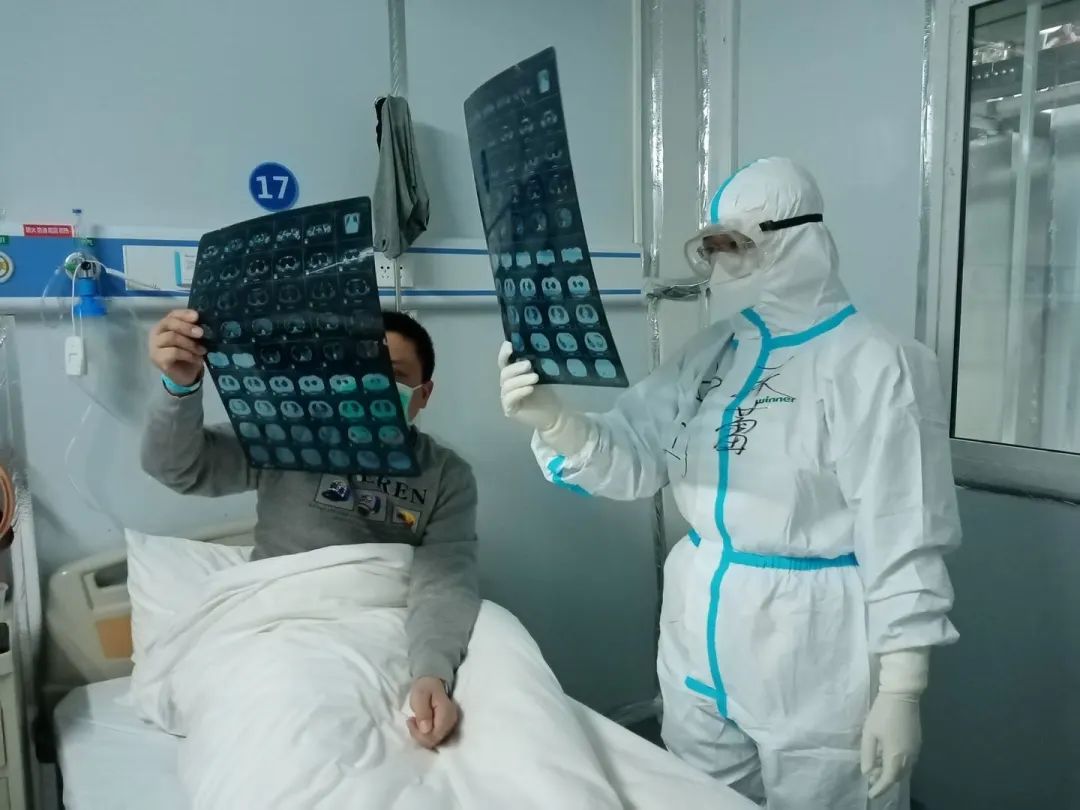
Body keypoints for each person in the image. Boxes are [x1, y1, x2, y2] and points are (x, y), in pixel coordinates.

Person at [497, 157, 959, 809]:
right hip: (699, 621)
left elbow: (904, 532)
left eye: (737, 245)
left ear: (798, 239)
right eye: (713, 248)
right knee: (697, 794)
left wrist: (902, 687)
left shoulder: (877, 363)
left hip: (812, 643)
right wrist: (558, 422)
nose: (723, 264)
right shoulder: (714, 351)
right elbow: (638, 454)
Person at [143, 308, 479, 750]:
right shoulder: (287, 437)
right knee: (293, 709)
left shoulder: (445, 475)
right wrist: (180, 387)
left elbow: (444, 582)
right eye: (359, 370)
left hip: (382, 629)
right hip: (279, 624)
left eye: (394, 375)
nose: (372, 385)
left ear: (424, 394)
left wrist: (432, 672)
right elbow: (177, 467)